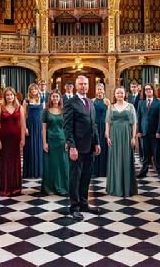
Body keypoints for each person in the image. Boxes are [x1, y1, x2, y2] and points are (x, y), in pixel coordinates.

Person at [64, 75, 100, 221]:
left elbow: (94, 124)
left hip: (90, 146)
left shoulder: (90, 102)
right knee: (75, 178)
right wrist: (72, 146)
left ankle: (84, 203)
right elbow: (67, 126)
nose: (84, 86)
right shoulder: (70, 102)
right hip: (77, 147)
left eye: (85, 84)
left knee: (86, 177)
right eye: (81, 84)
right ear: (76, 86)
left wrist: (97, 142)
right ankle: (74, 207)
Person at [105, 86, 138, 197]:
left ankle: (127, 188)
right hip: (114, 135)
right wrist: (108, 136)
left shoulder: (130, 106)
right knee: (115, 159)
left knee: (126, 158)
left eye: (121, 93)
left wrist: (133, 137)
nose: (119, 95)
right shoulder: (110, 107)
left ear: (125, 94)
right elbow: (108, 122)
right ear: (114, 95)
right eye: (117, 93)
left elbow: (134, 123)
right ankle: (115, 187)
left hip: (126, 134)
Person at [0, 87, 26, 196]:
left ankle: (15, 188)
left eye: (11, 95)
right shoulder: (0, 108)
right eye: (7, 95)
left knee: (15, 162)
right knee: (4, 163)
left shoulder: (20, 108)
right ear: (4, 97)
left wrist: (22, 139)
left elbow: (23, 124)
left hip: (16, 139)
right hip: (4, 139)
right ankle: (4, 188)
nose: (9, 97)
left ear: (14, 96)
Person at [41, 90, 69, 195]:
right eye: (53, 97)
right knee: (50, 164)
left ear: (60, 98)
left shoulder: (64, 111)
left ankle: (62, 186)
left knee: (62, 164)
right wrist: (44, 142)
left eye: (57, 96)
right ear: (50, 98)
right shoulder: (45, 111)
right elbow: (43, 129)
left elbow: (67, 127)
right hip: (50, 140)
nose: (55, 98)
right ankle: (50, 188)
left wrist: (68, 142)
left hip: (62, 140)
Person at [137, 83, 160, 179]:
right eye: (146, 89)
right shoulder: (141, 103)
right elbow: (139, 117)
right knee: (145, 153)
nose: (148, 91)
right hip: (144, 132)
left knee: (156, 154)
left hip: (155, 133)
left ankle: (159, 172)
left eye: (150, 89)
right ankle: (144, 171)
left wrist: (159, 131)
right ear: (144, 92)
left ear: (153, 91)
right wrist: (139, 130)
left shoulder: (159, 103)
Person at [22, 83, 43, 178]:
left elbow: (44, 114)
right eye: (32, 90)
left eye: (35, 89)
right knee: (30, 147)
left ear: (37, 90)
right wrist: (25, 127)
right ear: (29, 91)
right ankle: (29, 171)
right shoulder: (26, 101)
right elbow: (23, 116)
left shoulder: (42, 100)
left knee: (39, 146)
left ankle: (38, 171)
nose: (34, 91)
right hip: (29, 125)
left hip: (39, 125)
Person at [92, 83, 110, 177]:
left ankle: (103, 170)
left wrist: (108, 130)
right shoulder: (92, 101)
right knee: (94, 146)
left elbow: (109, 116)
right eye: (98, 89)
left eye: (101, 89)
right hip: (94, 126)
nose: (99, 91)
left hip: (103, 126)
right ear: (96, 90)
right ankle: (94, 170)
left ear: (103, 90)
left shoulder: (107, 101)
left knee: (103, 147)